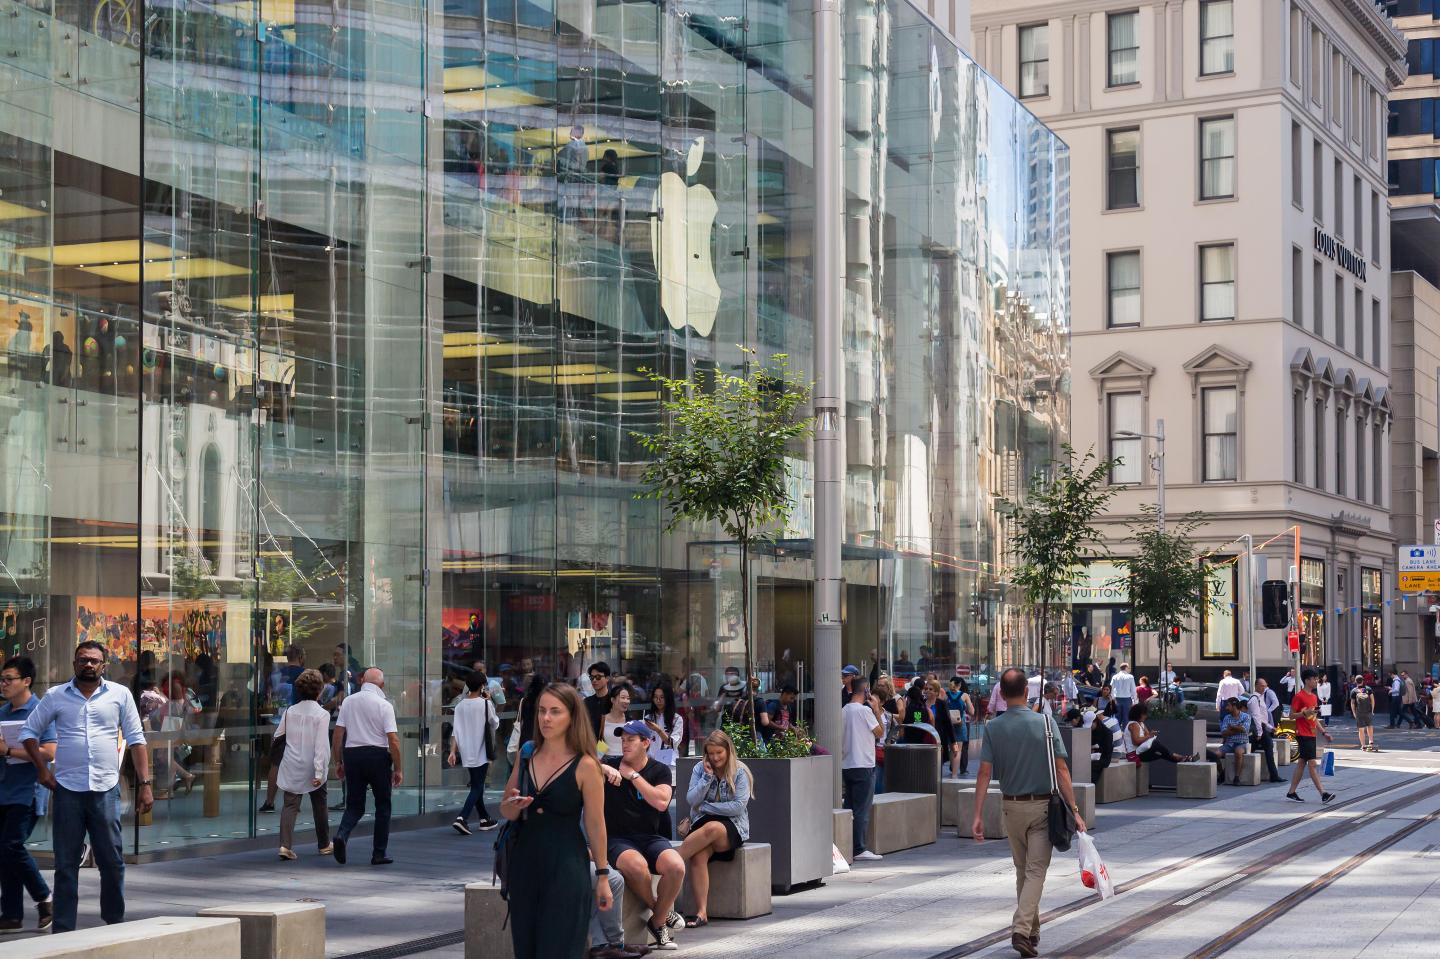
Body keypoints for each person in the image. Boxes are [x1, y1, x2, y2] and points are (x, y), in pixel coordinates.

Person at [19, 641, 152, 933]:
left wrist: (145, 784)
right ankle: (64, 930)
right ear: (74, 663)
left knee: (112, 862)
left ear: (104, 665)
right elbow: (29, 732)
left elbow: (137, 739)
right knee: (66, 866)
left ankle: (114, 922)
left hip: (106, 791)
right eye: (83, 660)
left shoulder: (119, 695)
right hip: (67, 791)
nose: (88, 665)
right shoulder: (56, 696)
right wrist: (42, 770)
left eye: (94, 660)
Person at [971, 668, 1086, 959]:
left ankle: (1032, 933)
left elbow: (984, 773)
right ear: (1026, 692)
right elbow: (1062, 771)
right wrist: (1075, 810)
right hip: (1042, 807)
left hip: (1010, 807)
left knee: (1024, 870)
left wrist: (977, 814)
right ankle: (1021, 929)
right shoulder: (1045, 724)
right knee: (1036, 871)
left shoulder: (993, 728)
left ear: (1001, 693)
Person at [502, 683, 612, 959]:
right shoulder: (527, 753)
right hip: (524, 866)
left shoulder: (586, 765)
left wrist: (602, 876)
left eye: (555, 711)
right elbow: (506, 811)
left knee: (560, 948)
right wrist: (514, 805)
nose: (546, 718)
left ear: (572, 717)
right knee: (526, 949)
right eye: (541, 711)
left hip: (566, 868)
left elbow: (596, 825)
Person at [602, 720, 684, 950]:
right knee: (637, 866)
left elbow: (661, 802)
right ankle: (663, 915)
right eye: (623, 739)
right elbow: (583, 759)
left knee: (676, 867)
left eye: (631, 739)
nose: (625, 744)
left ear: (646, 742)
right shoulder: (611, 763)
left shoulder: (659, 770)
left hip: (650, 837)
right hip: (617, 838)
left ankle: (656, 921)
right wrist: (603, 768)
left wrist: (633, 776)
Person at [0, 656, 55, 931]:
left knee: (11, 846)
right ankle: (10, 914)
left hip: (28, 791)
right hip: (4, 789)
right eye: (2, 679)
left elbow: (49, 752)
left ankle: (44, 897)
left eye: (9, 679)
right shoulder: (2, 712)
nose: (4, 684)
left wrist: (9, 750)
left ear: (26, 681)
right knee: (4, 852)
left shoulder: (39, 711)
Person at [679, 730, 752, 928]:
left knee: (712, 827)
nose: (715, 757)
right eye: (710, 753)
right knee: (698, 855)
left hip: (732, 826)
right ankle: (701, 912)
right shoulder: (699, 769)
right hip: (703, 823)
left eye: (719, 752)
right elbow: (691, 799)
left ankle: (672, 861)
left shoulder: (739, 771)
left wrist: (705, 807)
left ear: (728, 750)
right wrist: (707, 778)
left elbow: (738, 806)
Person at [330, 668, 403, 865]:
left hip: (353, 755)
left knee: (354, 804)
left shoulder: (348, 701)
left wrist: (338, 761)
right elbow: (393, 740)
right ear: (382, 685)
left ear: (363, 681)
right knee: (383, 805)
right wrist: (398, 768)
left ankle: (342, 835)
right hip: (378, 756)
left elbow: (338, 735)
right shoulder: (384, 705)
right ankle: (379, 853)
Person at [276, 669, 332, 860]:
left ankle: (285, 845)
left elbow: (278, 736)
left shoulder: (290, 711)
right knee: (320, 804)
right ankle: (324, 844)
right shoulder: (322, 714)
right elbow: (321, 745)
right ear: (320, 690)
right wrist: (318, 771)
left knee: (290, 805)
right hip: (312, 764)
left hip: (291, 762)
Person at [449, 671, 500, 834]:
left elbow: (455, 732)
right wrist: (489, 700)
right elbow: (495, 723)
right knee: (477, 786)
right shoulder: (485, 704)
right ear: (482, 686)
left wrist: (452, 751)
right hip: (481, 749)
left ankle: (485, 819)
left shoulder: (459, 706)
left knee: (477, 783)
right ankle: (462, 817)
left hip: (465, 750)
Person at [840, 680, 884, 862]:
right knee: (861, 810)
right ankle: (859, 848)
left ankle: (848, 845)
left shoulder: (843, 710)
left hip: (847, 764)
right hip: (864, 765)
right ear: (866, 691)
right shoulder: (865, 711)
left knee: (849, 807)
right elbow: (880, 733)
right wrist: (876, 710)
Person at [1286, 668, 1335, 804]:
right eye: (1314, 679)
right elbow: (1291, 715)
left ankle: (1291, 792)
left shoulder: (1314, 697)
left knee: (1302, 763)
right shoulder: (1299, 696)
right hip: (1303, 734)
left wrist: (1324, 732)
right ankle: (1323, 793)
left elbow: (1313, 717)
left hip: (1311, 733)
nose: (1316, 681)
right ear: (1307, 680)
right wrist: (1304, 713)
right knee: (1312, 764)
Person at [1124, 701, 1195, 765]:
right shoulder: (1133, 725)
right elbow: (1136, 742)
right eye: (1144, 714)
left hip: (1141, 752)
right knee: (1156, 745)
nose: (1146, 716)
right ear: (1138, 714)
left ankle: (1182, 759)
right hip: (1134, 755)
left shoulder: (1141, 723)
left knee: (1161, 753)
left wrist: (1150, 735)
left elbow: (1147, 738)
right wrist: (1149, 735)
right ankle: (1182, 758)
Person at [644, 683, 684, 777]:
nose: (658, 700)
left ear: (668, 698)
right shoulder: (648, 718)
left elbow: (672, 742)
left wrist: (659, 730)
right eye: (655, 697)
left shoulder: (677, 719)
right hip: (650, 764)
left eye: (662, 697)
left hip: (669, 765)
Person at [1247, 680, 1283, 783]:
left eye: (1265, 686)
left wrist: (1270, 727)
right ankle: (1273, 775)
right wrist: (1259, 732)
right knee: (1259, 748)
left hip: (1261, 728)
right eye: (1262, 686)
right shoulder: (1255, 699)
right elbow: (1256, 717)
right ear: (1256, 686)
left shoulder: (1260, 698)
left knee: (1262, 748)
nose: (1264, 688)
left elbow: (1261, 717)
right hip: (1257, 728)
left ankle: (1274, 775)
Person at [923, 680, 960, 778]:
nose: (927, 691)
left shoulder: (941, 704)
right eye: (926, 689)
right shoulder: (921, 704)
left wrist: (953, 742)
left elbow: (948, 723)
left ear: (936, 692)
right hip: (924, 741)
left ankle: (936, 789)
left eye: (931, 689)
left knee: (937, 768)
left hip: (938, 740)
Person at [1217, 698, 1252, 785]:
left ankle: (1236, 778)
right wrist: (1237, 728)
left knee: (1238, 751)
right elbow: (1224, 733)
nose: (1226, 708)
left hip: (1242, 742)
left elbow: (1245, 729)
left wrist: (1232, 727)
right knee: (1216, 754)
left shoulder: (1246, 716)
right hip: (1229, 743)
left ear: (1234, 706)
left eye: (1228, 706)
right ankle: (1222, 774)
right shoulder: (1227, 717)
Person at [947, 677, 973, 776]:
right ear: (960, 685)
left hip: (949, 725)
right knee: (959, 749)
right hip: (960, 724)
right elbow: (972, 711)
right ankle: (954, 775)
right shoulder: (964, 695)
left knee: (951, 748)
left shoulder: (946, 695)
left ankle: (952, 768)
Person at [599, 684, 633, 756]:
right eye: (623, 697)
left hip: (626, 761)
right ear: (613, 700)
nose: (626, 701)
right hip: (607, 761)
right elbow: (600, 742)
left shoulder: (630, 721)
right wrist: (599, 759)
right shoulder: (602, 719)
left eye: (628, 698)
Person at [585, 663, 614, 737]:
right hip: (591, 744)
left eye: (598, 677)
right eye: (591, 677)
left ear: (607, 678)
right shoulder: (586, 702)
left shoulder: (614, 701)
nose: (594, 680)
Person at [1350, 679, 1377, 752]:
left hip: (1359, 712)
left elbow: (1352, 703)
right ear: (1363, 681)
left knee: (1361, 729)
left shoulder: (1354, 691)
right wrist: (1372, 710)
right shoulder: (1368, 689)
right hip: (1368, 711)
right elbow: (1372, 699)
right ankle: (1371, 741)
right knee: (1369, 726)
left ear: (1356, 681)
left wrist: (1354, 713)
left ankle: (1363, 745)